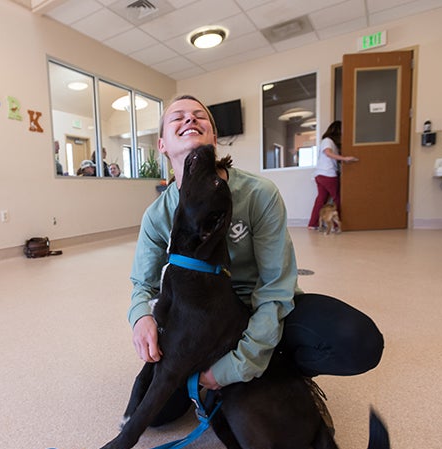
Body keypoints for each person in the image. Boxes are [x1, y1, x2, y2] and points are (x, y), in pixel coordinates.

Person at [129, 95, 384, 426]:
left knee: (357, 341)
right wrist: (140, 318)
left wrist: (238, 365)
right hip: (202, 321)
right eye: (177, 118)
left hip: (258, 310)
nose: (190, 120)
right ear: (162, 144)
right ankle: (237, 377)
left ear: (214, 139)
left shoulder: (258, 193)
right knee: (154, 416)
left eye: (198, 116)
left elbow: (277, 285)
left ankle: (282, 374)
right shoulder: (157, 215)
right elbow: (142, 284)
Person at [307, 121, 358, 229]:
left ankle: (313, 224)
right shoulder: (328, 141)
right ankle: (336, 224)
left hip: (321, 174)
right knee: (338, 199)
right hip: (328, 174)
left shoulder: (328, 141)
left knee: (321, 199)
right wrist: (345, 159)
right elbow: (328, 153)